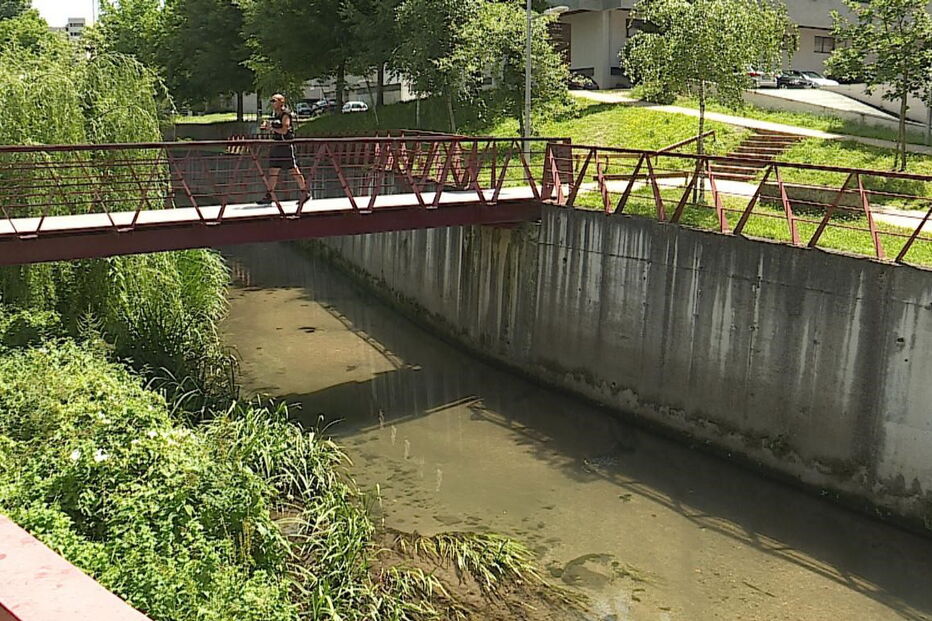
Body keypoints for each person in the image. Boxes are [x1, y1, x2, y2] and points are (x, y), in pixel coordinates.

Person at [258, 94, 309, 206]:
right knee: (273, 171)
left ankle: (305, 192)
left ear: (281, 102)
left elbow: (284, 130)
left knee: (293, 170)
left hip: (285, 145)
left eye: (274, 101)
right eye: (271, 101)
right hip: (277, 145)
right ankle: (269, 195)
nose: (272, 103)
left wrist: (271, 127)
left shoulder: (285, 114)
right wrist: (268, 127)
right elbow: (276, 128)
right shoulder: (275, 114)